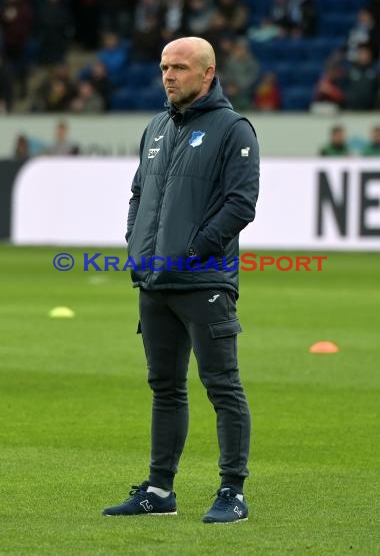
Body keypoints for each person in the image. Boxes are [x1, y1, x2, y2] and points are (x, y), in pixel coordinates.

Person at [102, 36, 260, 524]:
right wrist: (136, 248)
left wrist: (190, 253)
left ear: (208, 74)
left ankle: (232, 492)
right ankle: (158, 490)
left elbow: (241, 204)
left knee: (222, 386)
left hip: (204, 281)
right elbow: (137, 194)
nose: (169, 76)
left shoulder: (234, 129)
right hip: (154, 284)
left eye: (180, 68)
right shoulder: (154, 127)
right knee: (165, 387)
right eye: (164, 67)